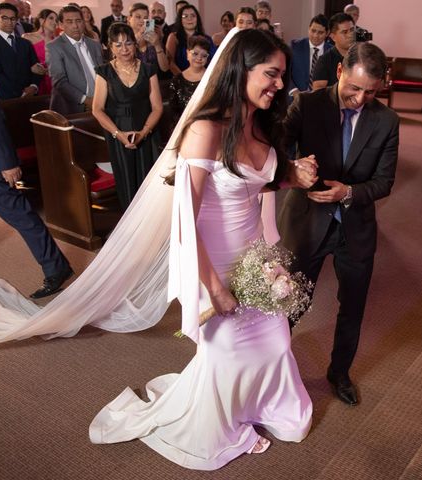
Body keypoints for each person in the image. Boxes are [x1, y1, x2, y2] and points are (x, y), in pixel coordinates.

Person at [89, 27, 315, 471]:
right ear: (241, 69)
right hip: (213, 264)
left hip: (257, 262)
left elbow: (259, 179)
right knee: (228, 351)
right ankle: (223, 420)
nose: (279, 85)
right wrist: (214, 289)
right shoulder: (205, 130)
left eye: (282, 75)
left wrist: (293, 175)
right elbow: (183, 226)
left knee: (274, 342)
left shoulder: (260, 122)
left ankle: (261, 407)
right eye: (271, 74)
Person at [279, 42, 400, 406]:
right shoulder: (308, 104)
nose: (361, 98)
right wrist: (294, 167)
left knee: (353, 306)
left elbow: (384, 182)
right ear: (339, 73)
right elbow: (278, 148)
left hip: (355, 229)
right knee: (290, 302)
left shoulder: (387, 121)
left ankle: (339, 372)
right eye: (354, 87)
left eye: (370, 92)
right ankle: (272, 371)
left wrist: (347, 192)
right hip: (305, 223)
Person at [0, 56, 73, 299]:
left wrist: (7, 163)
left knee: (22, 216)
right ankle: (56, 266)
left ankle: (56, 268)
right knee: (22, 215)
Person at [92, 22, 163, 209]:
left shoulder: (148, 69)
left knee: (150, 184)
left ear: (135, 44)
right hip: (118, 135)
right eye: (118, 45)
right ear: (110, 47)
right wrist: (118, 134)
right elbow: (97, 109)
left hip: (146, 133)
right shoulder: (104, 71)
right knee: (127, 185)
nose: (124, 49)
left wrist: (144, 132)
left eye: (129, 43)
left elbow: (157, 107)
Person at [47, 5, 102, 115]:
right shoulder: (54, 47)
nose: (75, 26)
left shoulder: (94, 45)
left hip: (100, 105)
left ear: (83, 22)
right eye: (69, 22)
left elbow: (103, 74)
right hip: (72, 109)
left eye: (78, 21)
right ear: (61, 25)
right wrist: (86, 101)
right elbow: (59, 81)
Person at [0, 2, 41, 100]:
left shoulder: (25, 43)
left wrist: (33, 86)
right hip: (7, 98)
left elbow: (36, 68)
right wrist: (21, 92)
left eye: (13, 19)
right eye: (4, 18)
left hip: (32, 97)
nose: (10, 22)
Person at [169, 34, 208, 129]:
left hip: (208, 128)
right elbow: (173, 112)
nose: (199, 58)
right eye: (195, 53)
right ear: (187, 54)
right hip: (182, 129)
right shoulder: (177, 80)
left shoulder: (212, 78)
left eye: (204, 55)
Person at [166, 3, 213, 75]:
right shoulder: (173, 37)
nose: (189, 18)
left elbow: (214, 61)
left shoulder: (207, 38)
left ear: (197, 19)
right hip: (180, 78)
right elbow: (170, 63)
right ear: (180, 20)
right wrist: (184, 79)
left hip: (203, 78)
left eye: (193, 15)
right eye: (185, 16)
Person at [311, 12, 355, 90]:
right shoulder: (324, 61)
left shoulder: (362, 56)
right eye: (345, 32)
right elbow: (318, 94)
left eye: (352, 30)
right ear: (333, 37)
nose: (350, 35)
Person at [289, 14, 329, 96]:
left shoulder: (332, 51)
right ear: (308, 29)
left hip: (321, 100)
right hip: (295, 100)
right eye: (313, 31)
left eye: (320, 32)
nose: (315, 36)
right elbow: (285, 73)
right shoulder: (295, 46)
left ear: (327, 33)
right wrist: (294, 91)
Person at [21, 8, 57, 95]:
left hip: (54, 81)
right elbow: (22, 61)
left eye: (56, 20)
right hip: (35, 81)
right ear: (41, 20)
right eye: (51, 18)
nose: (55, 22)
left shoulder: (57, 40)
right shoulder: (27, 37)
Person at [127, 3, 169, 74]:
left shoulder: (152, 38)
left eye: (145, 18)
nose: (142, 21)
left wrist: (157, 45)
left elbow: (165, 68)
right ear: (129, 19)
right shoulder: (123, 40)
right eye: (138, 17)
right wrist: (138, 35)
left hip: (154, 81)